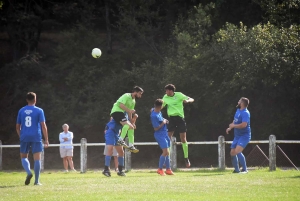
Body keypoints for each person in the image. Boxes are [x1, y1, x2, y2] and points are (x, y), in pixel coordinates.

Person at [16, 92, 49, 185]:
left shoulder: (21, 110)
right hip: (36, 136)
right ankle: (37, 181)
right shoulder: (39, 110)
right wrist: (46, 139)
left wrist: (21, 136)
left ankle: (29, 172)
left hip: (24, 136)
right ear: (35, 99)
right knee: (37, 159)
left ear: (26, 100)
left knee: (23, 157)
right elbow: (43, 125)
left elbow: (17, 126)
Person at [162, 84, 194, 168]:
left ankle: (186, 158)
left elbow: (191, 99)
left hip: (180, 119)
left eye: (167, 91)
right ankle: (166, 157)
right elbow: (161, 105)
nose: (166, 92)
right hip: (171, 119)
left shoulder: (179, 95)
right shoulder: (165, 97)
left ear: (171, 91)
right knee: (167, 138)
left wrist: (188, 101)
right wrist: (155, 109)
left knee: (183, 139)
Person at [110, 86, 144, 153]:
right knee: (127, 125)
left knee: (131, 127)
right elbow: (121, 105)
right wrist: (129, 110)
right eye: (140, 93)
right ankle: (120, 140)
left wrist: (132, 122)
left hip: (121, 113)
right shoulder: (126, 95)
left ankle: (131, 145)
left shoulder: (133, 101)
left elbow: (129, 113)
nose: (140, 95)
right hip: (117, 111)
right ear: (135, 92)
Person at [226, 97, 251, 173]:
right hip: (237, 136)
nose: (238, 102)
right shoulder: (238, 111)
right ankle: (237, 170)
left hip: (244, 136)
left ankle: (245, 169)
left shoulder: (245, 113)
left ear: (242, 103)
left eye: (239, 101)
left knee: (237, 151)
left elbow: (244, 125)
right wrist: (230, 128)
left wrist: (234, 126)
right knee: (232, 153)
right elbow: (235, 121)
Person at [150, 99, 174, 176]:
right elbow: (156, 128)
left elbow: (152, 109)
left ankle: (168, 169)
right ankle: (160, 169)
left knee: (168, 152)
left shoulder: (156, 111)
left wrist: (164, 120)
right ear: (160, 107)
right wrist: (163, 123)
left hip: (165, 133)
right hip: (159, 134)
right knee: (165, 152)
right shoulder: (154, 116)